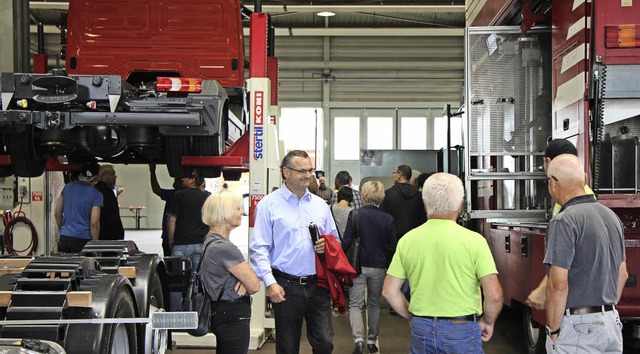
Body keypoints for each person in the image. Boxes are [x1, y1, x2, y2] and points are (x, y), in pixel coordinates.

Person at [382, 173, 503, 353]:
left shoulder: (408, 240)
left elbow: (389, 291)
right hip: (463, 328)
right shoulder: (475, 241)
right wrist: (488, 321)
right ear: (460, 204)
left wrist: (410, 316)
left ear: (424, 204)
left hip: (422, 327)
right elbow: (493, 295)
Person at [250, 150, 339, 354]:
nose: (308, 175)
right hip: (286, 287)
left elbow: (334, 239)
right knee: (287, 347)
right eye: (302, 171)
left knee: (325, 342)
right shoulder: (268, 205)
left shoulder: (320, 206)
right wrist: (270, 283)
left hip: (319, 286)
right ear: (286, 172)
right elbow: (259, 248)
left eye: (310, 170)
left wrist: (328, 245)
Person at [542, 154, 627, 353]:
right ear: (585, 178)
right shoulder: (611, 217)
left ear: (554, 184)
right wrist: (603, 311)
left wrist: (553, 331)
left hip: (579, 327)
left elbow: (557, 285)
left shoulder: (564, 221)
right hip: (612, 324)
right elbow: (622, 274)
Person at [526, 139, 595, 309]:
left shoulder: (566, 205)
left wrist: (543, 289)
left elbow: (565, 255)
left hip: (575, 298)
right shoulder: (587, 194)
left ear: (549, 162)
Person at [201, 189, 260, 354]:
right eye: (238, 208)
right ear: (224, 212)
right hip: (232, 315)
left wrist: (244, 277)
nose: (242, 212)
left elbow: (248, 280)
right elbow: (254, 286)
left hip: (221, 312)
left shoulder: (210, 241)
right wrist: (247, 278)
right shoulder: (224, 248)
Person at [342, 180, 397, 354]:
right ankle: (372, 340)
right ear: (381, 197)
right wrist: (386, 264)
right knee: (373, 304)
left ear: (363, 196)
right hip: (379, 266)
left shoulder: (355, 214)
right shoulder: (388, 219)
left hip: (358, 266)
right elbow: (393, 246)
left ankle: (358, 340)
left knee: (356, 305)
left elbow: (346, 242)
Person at [166, 169, 210, 311]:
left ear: (192, 180)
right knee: (198, 279)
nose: (182, 179)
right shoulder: (206, 198)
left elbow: (172, 219)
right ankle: (196, 312)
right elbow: (211, 222)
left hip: (181, 244)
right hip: (200, 244)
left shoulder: (178, 195)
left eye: (185, 177)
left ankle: (175, 314)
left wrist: (171, 239)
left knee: (176, 281)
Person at [54, 165, 103, 253]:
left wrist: (63, 230)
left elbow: (57, 213)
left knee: (65, 265)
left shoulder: (67, 187)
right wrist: (95, 244)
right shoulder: (96, 194)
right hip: (82, 240)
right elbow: (94, 223)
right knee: (82, 266)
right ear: (97, 176)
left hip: (64, 237)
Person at [379, 164, 426, 240]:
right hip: (413, 237)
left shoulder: (388, 194)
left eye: (394, 173)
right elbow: (422, 218)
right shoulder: (419, 195)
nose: (393, 176)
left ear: (399, 175)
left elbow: (382, 217)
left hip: (393, 238)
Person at [149, 164, 184, 256]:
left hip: (169, 235)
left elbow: (156, 189)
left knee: (170, 264)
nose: (174, 181)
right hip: (185, 236)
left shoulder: (173, 194)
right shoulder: (191, 195)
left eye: (176, 180)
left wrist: (152, 172)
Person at [94, 165, 125, 240]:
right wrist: (119, 234)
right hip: (108, 235)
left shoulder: (95, 190)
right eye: (113, 174)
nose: (115, 177)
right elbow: (112, 216)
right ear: (104, 176)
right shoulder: (106, 193)